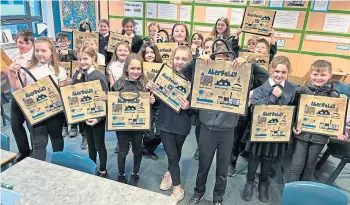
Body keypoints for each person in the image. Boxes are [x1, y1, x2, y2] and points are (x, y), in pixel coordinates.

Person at [185, 46, 239, 205]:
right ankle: (198, 192)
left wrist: (249, 64)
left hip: (227, 131)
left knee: (222, 169)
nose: (222, 62)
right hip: (207, 129)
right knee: (203, 164)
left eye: (225, 59)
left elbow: (262, 78)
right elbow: (184, 71)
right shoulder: (205, 73)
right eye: (218, 59)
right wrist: (197, 60)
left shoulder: (238, 75)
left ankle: (218, 198)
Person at [241, 56, 297, 202]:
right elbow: (256, 109)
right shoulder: (260, 89)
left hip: (277, 133)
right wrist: (272, 97)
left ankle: (263, 183)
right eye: (277, 71)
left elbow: (294, 109)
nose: (279, 75)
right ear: (271, 69)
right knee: (254, 156)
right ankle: (249, 181)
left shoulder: (292, 89)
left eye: (283, 72)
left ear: (288, 72)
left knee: (268, 157)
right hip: (259, 131)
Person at [288, 60, 349, 182]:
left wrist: (340, 130)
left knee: (309, 166)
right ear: (310, 74)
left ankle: (303, 191)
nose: (318, 78)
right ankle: (291, 192)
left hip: (320, 137)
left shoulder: (334, 95)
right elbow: (293, 110)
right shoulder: (302, 91)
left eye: (323, 75)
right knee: (296, 165)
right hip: (302, 134)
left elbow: (337, 116)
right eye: (315, 74)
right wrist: (294, 125)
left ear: (330, 76)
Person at [8, 37, 67, 161]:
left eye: (44, 51)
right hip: (36, 115)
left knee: (57, 140)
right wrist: (11, 73)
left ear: (52, 52)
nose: (40, 54)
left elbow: (64, 92)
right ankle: (38, 170)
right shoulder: (29, 69)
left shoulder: (59, 71)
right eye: (37, 50)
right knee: (38, 144)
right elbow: (19, 89)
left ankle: (59, 165)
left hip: (55, 114)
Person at [147, 45, 192, 202]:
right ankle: (178, 189)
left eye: (184, 59)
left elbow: (199, 107)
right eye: (177, 58)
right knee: (172, 154)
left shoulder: (195, 79)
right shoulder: (164, 74)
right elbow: (157, 100)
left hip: (182, 123)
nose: (180, 62)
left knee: (177, 152)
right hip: (165, 121)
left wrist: (189, 105)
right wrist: (152, 95)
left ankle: (169, 172)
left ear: (190, 60)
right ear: (172, 59)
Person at [227, 37, 273, 177]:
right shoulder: (243, 62)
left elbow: (265, 77)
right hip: (243, 106)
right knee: (236, 135)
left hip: (260, 108)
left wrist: (251, 63)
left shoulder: (267, 68)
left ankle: (245, 153)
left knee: (247, 137)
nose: (259, 49)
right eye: (256, 47)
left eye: (263, 48)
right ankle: (231, 162)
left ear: (268, 52)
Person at [111, 53, 155, 185]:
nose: (135, 72)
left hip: (138, 124)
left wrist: (152, 99)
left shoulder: (146, 85)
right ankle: (121, 173)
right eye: (132, 68)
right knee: (123, 150)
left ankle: (135, 174)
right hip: (122, 125)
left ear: (142, 69)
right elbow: (112, 103)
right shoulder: (118, 84)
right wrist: (107, 99)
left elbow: (152, 104)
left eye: (138, 69)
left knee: (137, 149)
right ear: (126, 69)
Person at [72, 45, 109, 177]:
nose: (82, 62)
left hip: (97, 118)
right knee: (91, 144)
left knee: (99, 145)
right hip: (84, 117)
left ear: (93, 58)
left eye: (86, 58)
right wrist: (78, 75)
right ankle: (92, 166)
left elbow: (107, 99)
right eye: (80, 59)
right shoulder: (79, 74)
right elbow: (72, 91)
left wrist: (99, 118)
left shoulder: (99, 76)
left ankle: (103, 170)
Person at [6, 29, 34, 162]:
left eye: (26, 43)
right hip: (16, 95)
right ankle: (24, 150)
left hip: (29, 96)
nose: (23, 45)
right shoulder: (16, 58)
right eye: (20, 42)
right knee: (15, 124)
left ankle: (36, 151)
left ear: (32, 43)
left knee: (32, 125)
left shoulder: (34, 58)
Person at [139, 41, 163, 160]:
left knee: (160, 133)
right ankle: (145, 148)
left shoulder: (162, 67)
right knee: (149, 133)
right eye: (146, 52)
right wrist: (145, 89)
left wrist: (156, 96)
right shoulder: (138, 67)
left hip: (158, 104)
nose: (149, 55)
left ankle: (149, 149)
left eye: (152, 52)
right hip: (144, 104)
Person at [55, 32, 77, 138]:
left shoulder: (74, 52)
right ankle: (64, 126)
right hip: (61, 83)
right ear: (57, 43)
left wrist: (69, 53)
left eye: (65, 41)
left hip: (72, 83)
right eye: (60, 42)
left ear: (69, 42)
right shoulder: (55, 54)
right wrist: (59, 54)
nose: (63, 43)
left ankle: (73, 126)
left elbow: (78, 61)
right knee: (63, 106)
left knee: (73, 104)